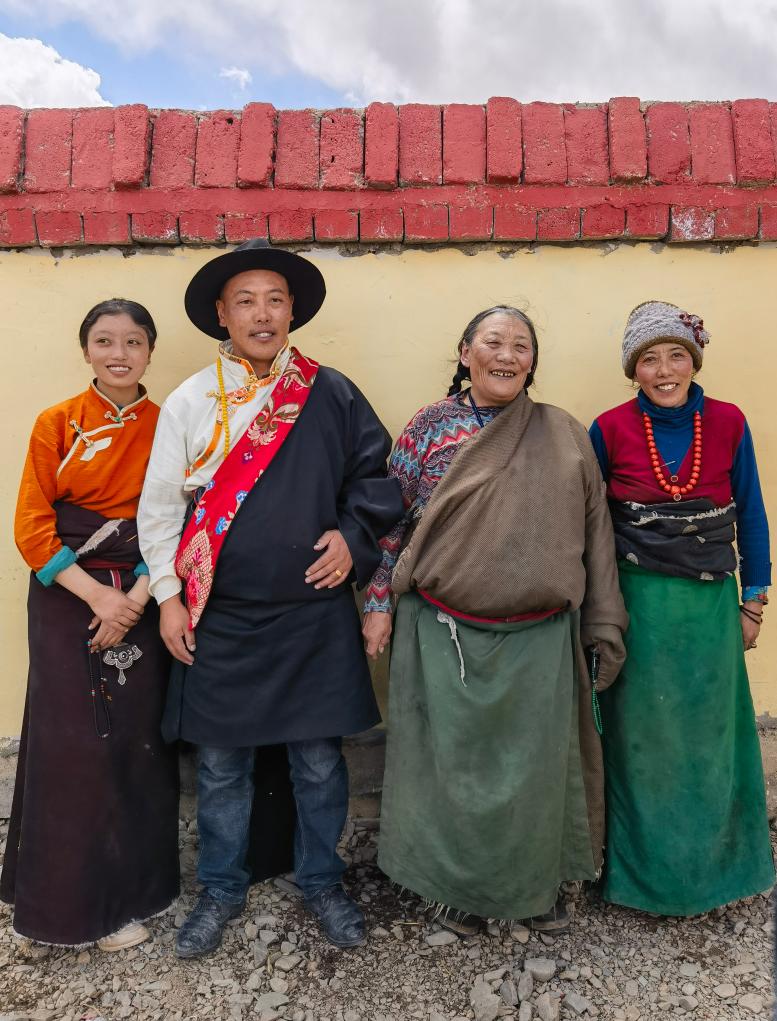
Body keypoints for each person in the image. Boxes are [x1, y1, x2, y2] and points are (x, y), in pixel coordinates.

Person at [137, 239, 403, 957]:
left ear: (292, 312)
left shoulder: (330, 392)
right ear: (222, 314)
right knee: (222, 765)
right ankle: (220, 888)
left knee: (318, 759)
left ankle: (323, 881)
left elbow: (375, 481)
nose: (262, 314)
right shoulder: (191, 399)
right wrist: (168, 597)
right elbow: (159, 512)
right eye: (246, 301)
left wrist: (352, 536)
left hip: (313, 614)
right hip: (220, 616)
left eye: (274, 300)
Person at [362, 305, 628, 935]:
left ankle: (536, 886)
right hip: (442, 632)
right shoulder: (429, 427)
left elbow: (597, 534)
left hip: (541, 638)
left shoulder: (563, 433)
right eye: (493, 341)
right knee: (450, 770)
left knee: (535, 771)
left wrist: (603, 621)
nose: (507, 355)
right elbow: (391, 521)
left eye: (521, 345)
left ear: (532, 362)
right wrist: (377, 603)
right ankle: (453, 891)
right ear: (466, 353)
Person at [2, 299, 179, 950]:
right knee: (71, 743)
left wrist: (136, 597)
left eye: (133, 341)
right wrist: (98, 598)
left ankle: (130, 894)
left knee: (133, 742)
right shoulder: (57, 422)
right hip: (66, 595)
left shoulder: (168, 425)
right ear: (86, 351)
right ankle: (62, 904)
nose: (118, 354)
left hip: (143, 590)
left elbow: (176, 520)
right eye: (104, 341)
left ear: (150, 351)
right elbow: (31, 527)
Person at [589, 300, 774, 916]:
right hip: (639, 608)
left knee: (711, 738)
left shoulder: (728, 422)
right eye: (649, 359)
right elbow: (592, 528)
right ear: (632, 369)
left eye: (676, 355)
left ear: (693, 361)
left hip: (710, 607)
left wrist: (753, 602)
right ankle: (641, 879)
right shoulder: (608, 429)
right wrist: (599, 614)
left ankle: (718, 872)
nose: (664, 370)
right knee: (642, 740)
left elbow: (751, 512)